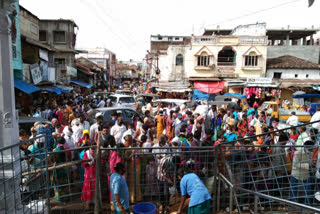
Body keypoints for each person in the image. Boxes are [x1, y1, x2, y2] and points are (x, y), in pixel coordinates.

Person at [81, 143, 96, 209]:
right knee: (88, 187)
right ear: (89, 148)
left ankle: (95, 202)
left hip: (95, 172)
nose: (93, 150)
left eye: (94, 149)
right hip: (88, 172)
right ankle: (88, 203)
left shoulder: (97, 153)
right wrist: (89, 162)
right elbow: (84, 163)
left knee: (95, 186)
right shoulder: (86, 154)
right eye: (91, 149)